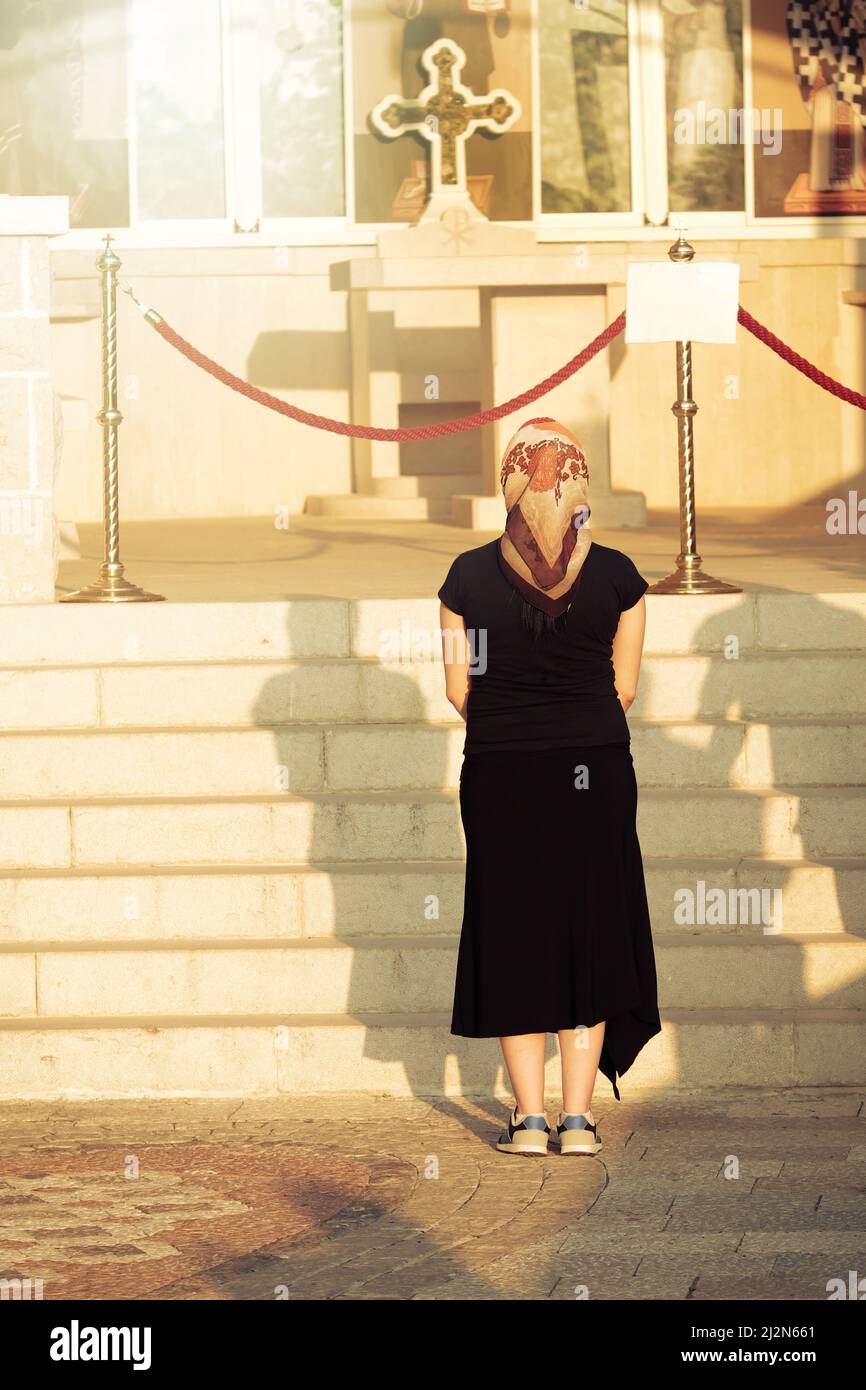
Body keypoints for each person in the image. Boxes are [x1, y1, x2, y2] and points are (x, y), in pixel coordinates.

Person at [438, 417, 661, 1157]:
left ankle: (528, 1120)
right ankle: (578, 1119)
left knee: (514, 934)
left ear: (505, 487)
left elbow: (456, 689)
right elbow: (624, 688)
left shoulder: (466, 577)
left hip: (501, 771)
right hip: (594, 772)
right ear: (581, 488)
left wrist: (515, 727)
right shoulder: (620, 576)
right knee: (588, 932)